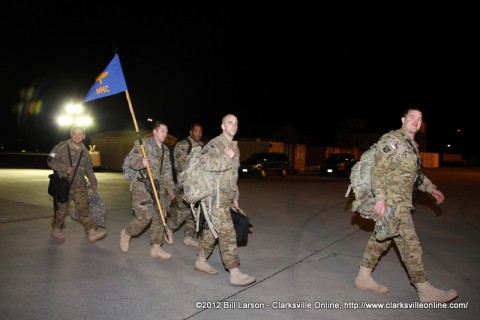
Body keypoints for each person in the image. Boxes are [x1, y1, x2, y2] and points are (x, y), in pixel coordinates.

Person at [354, 107, 458, 303]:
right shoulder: (393, 140)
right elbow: (378, 170)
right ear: (403, 119)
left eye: (419, 119)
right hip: (393, 203)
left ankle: (363, 277)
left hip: (401, 201)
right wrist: (381, 199)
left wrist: (431, 188)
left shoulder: (411, 145)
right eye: (412, 117)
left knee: (382, 238)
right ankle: (424, 289)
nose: (416, 121)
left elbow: (415, 175)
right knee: (411, 246)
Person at [194, 114, 256, 287]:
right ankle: (234, 272)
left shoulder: (234, 147)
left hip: (225, 198)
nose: (234, 126)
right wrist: (225, 157)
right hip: (213, 199)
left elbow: (232, 176)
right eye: (230, 123)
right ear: (222, 126)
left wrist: (235, 196)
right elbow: (204, 163)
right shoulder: (214, 144)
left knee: (211, 231)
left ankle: (200, 260)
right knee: (227, 232)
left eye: (236, 123)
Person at [119, 121, 176, 259]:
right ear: (155, 132)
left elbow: (167, 171)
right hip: (143, 188)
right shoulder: (142, 144)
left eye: (166, 131)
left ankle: (156, 247)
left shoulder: (165, 150)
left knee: (159, 217)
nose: (165, 134)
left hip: (159, 188)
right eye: (162, 131)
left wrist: (170, 189)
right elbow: (128, 162)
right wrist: (141, 163)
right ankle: (127, 233)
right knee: (144, 218)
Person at [47, 126, 106, 242]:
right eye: (75, 134)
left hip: (80, 186)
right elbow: (50, 160)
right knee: (61, 210)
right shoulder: (61, 147)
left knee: (84, 209)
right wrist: (64, 168)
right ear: (71, 134)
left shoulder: (85, 152)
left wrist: (94, 182)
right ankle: (56, 229)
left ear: (83, 136)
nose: (77, 136)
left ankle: (91, 232)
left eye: (80, 134)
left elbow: (89, 168)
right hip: (64, 185)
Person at [166, 123, 204, 248]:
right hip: (183, 185)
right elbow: (178, 165)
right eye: (196, 131)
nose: (198, 133)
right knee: (184, 211)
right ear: (190, 132)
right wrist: (193, 163)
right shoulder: (183, 145)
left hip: (196, 187)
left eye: (200, 132)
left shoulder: (202, 146)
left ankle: (188, 237)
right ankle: (169, 228)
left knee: (195, 213)